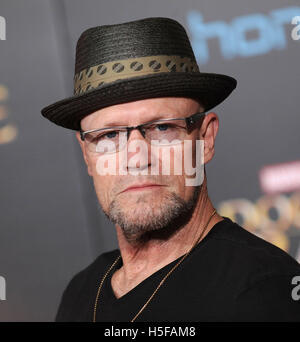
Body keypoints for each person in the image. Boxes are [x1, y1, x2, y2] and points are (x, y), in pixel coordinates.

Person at [41, 17, 300, 322]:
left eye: (162, 127)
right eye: (109, 135)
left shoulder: (264, 290)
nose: (137, 158)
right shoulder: (82, 292)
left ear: (205, 138)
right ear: (87, 154)